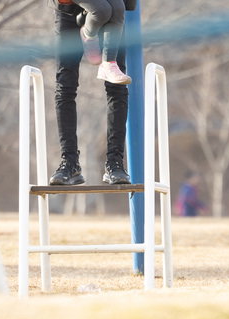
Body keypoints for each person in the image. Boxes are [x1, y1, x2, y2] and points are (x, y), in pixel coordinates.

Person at [49, 0, 135, 187]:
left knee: (117, 86)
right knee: (65, 86)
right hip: (69, 10)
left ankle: (115, 163)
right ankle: (69, 163)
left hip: (112, 13)